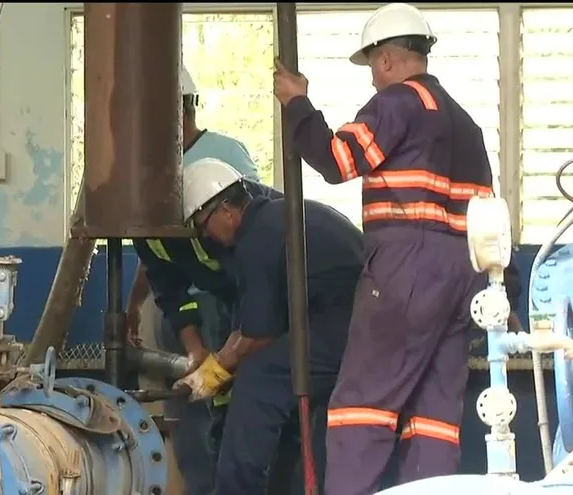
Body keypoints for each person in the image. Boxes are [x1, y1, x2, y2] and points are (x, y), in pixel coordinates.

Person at [271, 3, 494, 493]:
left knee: (361, 407)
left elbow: (337, 160)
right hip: (465, 277)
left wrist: (297, 105)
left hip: (405, 270)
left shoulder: (396, 103)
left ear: (388, 60)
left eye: (372, 64)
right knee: (434, 416)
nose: (372, 77)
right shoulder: (465, 125)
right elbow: (489, 222)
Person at [174, 157, 363, 494]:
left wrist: (214, 374)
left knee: (259, 379)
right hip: (352, 319)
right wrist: (221, 360)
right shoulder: (272, 218)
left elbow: (258, 336)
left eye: (203, 227)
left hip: (350, 324)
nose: (205, 237)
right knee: (278, 380)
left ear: (226, 212)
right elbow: (252, 324)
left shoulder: (257, 239)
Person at [125, 65, 265, 495]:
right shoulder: (144, 169)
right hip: (179, 304)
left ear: (177, 111)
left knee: (228, 403)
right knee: (181, 408)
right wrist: (134, 305)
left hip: (230, 303)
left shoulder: (225, 155)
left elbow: (251, 235)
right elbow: (156, 257)